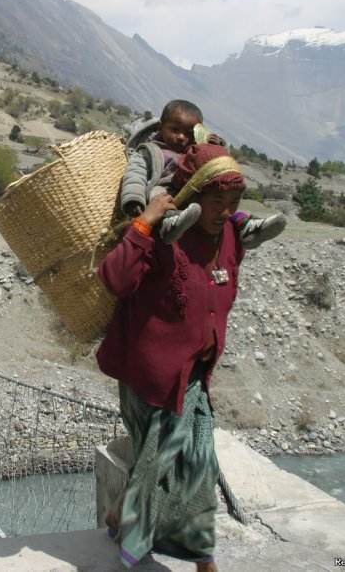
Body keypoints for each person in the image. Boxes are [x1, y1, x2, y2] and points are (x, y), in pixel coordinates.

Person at [98, 143, 248, 571]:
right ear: (191, 196)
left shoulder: (231, 235)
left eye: (233, 204)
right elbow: (115, 278)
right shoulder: (164, 233)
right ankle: (196, 561)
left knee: (191, 463)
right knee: (176, 470)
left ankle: (122, 520)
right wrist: (144, 223)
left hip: (194, 377)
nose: (224, 212)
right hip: (149, 378)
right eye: (215, 202)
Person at [120, 99, 285, 248]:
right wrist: (133, 199)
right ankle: (169, 224)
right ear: (161, 126)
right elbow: (136, 174)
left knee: (222, 197)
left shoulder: (195, 150)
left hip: (194, 193)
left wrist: (215, 146)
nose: (181, 137)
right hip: (165, 192)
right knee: (159, 195)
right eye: (175, 130)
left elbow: (216, 163)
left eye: (188, 133)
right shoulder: (149, 151)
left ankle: (246, 227)